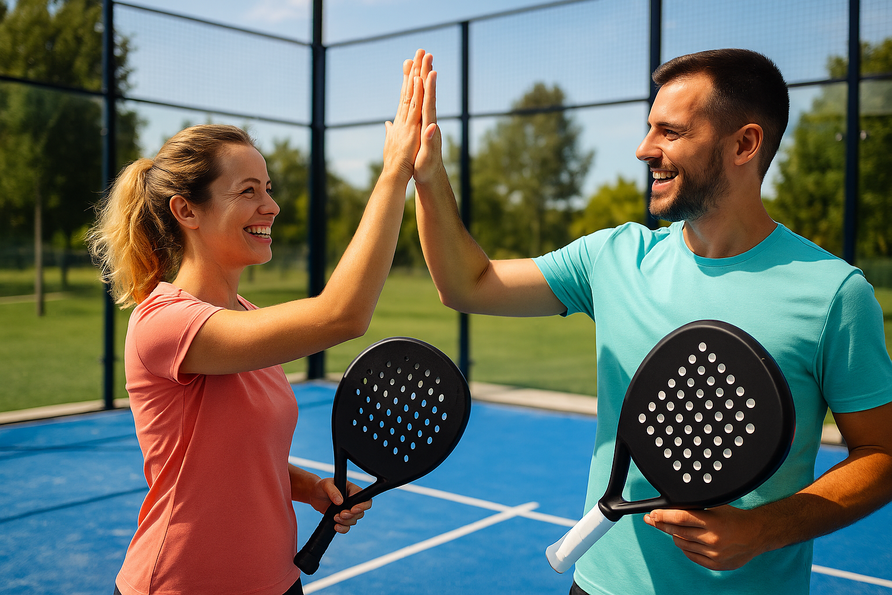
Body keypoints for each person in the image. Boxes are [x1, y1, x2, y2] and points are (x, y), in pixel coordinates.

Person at [411, 48, 892, 594]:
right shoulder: (613, 257)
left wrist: (763, 528)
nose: (644, 150)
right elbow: (466, 284)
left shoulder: (834, 293)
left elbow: (881, 453)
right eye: (648, 129)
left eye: (670, 132)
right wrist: (428, 174)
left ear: (745, 144)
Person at [86, 50, 436, 595]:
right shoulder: (165, 323)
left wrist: (309, 487)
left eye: (267, 188)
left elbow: (241, 455)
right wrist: (394, 173)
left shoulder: (246, 321)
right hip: (185, 583)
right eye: (248, 191)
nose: (270, 205)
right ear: (187, 211)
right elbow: (342, 315)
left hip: (277, 580)